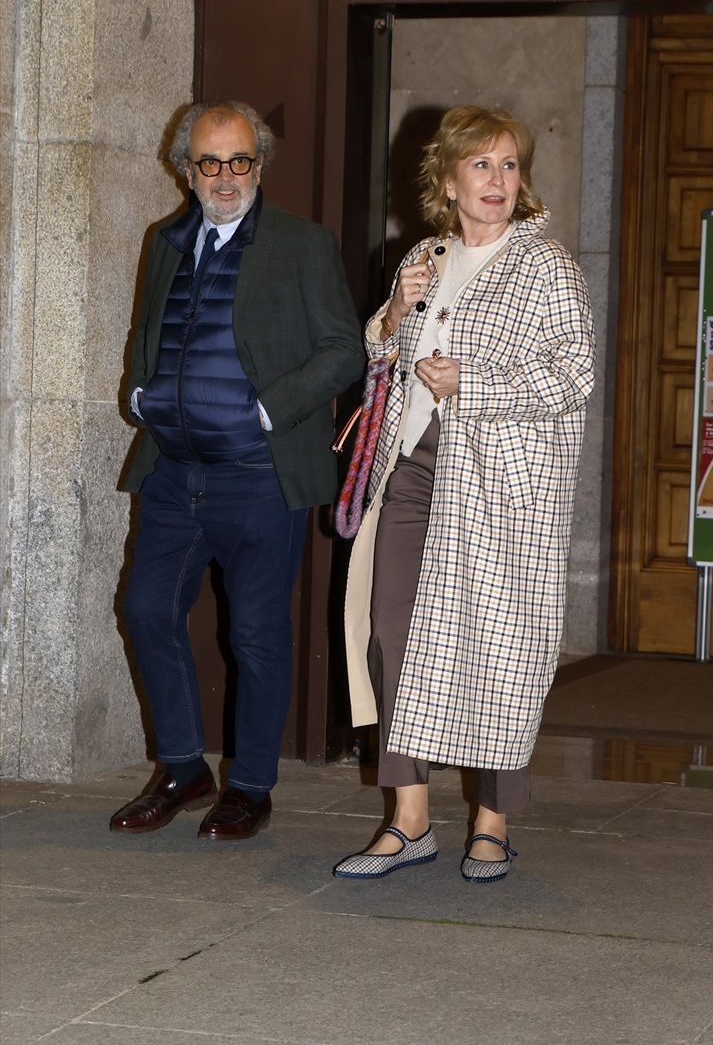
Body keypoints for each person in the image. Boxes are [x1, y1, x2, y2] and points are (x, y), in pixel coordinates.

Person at [335, 105, 595, 883]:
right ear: (446, 180)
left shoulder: (546, 267)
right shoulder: (426, 254)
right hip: (414, 469)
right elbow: (384, 356)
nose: (498, 181)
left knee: (501, 648)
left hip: (502, 485)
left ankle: (492, 821)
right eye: (481, 166)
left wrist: (472, 382)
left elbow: (573, 374)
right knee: (393, 634)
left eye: (509, 165)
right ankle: (409, 819)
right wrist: (392, 313)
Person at [111, 101, 365, 840]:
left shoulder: (301, 244)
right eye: (210, 162)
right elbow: (146, 330)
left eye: (241, 161)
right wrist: (139, 389)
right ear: (185, 170)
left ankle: (250, 784)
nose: (226, 177)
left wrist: (265, 410)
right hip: (174, 472)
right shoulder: (166, 240)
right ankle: (185, 768)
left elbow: (342, 350)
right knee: (147, 610)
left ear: (261, 164)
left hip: (259, 476)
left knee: (255, 634)